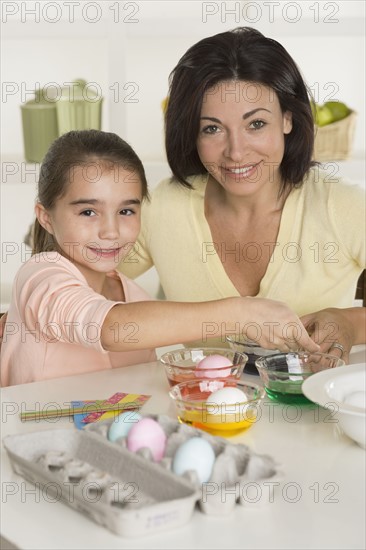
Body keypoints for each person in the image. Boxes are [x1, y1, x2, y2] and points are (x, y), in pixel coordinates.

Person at [119, 26, 366, 364]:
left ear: (288, 120)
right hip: (192, 413)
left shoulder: (343, 206)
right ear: (191, 134)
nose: (236, 152)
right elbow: (73, 294)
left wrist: (350, 323)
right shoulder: (162, 207)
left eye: (256, 124)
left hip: (317, 415)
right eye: (212, 129)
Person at [0, 129, 318, 387]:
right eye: (88, 211)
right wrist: (241, 312)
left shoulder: (130, 293)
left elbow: (132, 390)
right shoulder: (41, 276)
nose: (111, 231)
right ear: (45, 217)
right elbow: (112, 329)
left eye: (126, 210)